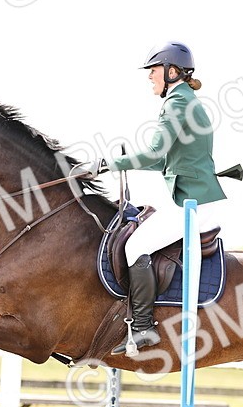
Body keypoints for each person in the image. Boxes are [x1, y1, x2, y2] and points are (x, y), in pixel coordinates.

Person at [71, 41, 228, 355]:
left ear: (172, 72)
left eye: (154, 71)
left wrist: (105, 164)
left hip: (194, 203)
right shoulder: (185, 101)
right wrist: (113, 167)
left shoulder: (176, 104)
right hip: (197, 198)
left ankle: (143, 328)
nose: (150, 77)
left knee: (135, 245)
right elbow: (162, 160)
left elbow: (155, 152)